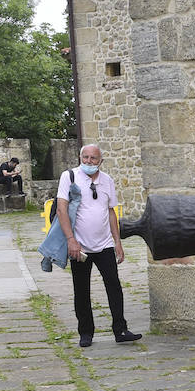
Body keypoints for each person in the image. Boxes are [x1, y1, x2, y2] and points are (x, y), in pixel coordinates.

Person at [56, 144, 142, 347]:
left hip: (104, 245)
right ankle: (86, 333)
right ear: (80, 157)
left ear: (100, 161)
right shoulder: (69, 177)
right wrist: (71, 240)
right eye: (85, 157)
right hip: (80, 246)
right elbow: (61, 209)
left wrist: (117, 240)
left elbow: (111, 211)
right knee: (82, 290)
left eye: (93, 158)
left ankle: (120, 329)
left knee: (114, 286)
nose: (89, 161)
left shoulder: (107, 181)